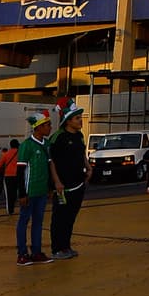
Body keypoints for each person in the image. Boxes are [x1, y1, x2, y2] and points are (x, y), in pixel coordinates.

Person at [48, 104, 92, 260]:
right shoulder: (58, 137)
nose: (81, 121)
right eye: (77, 118)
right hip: (63, 185)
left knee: (71, 217)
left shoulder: (79, 136)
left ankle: (66, 246)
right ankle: (57, 248)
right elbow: (51, 161)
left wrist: (88, 167)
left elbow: (82, 154)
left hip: (78, 182)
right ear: (68, 121)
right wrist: (56, 182)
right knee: (60, 217)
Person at [16, 112, 52, 265]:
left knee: (38, 222)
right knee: (24, 221)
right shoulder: (26, 145)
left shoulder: (47, 144)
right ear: (38, 128)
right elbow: (19, 172)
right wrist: (22, 193)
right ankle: (22, 254)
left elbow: (50, 167)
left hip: (42, 191)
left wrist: (50, 187)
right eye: (47, 125)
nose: (50, 128)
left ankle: (36, 251)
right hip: (29, 192)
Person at [0, 141, 21, 218]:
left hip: (8, 176)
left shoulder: (6, 154)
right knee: (19, 191)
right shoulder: (21, 153)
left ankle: (10, 209)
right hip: (19, 175)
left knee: (9, 193)